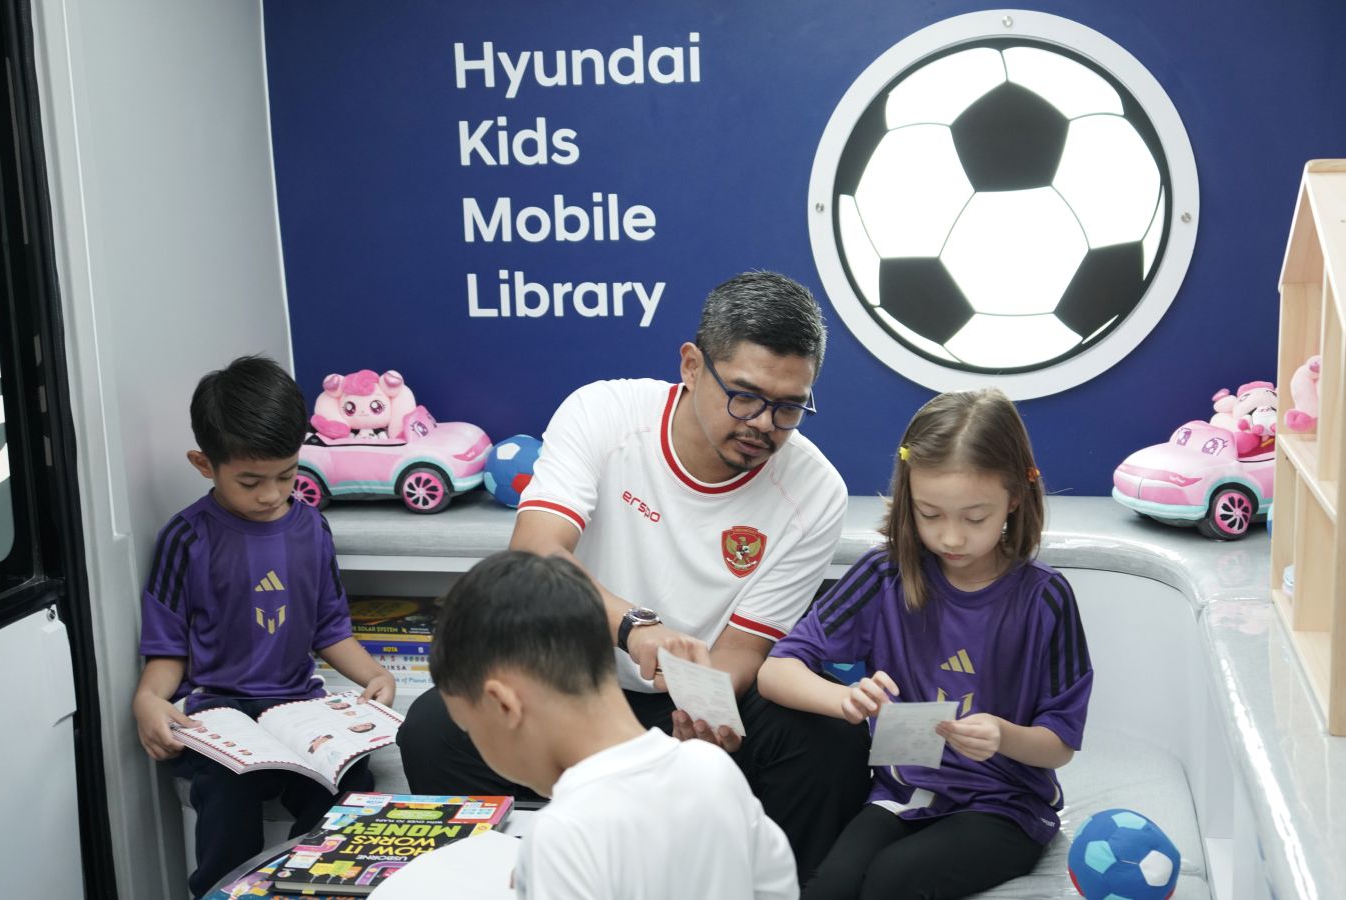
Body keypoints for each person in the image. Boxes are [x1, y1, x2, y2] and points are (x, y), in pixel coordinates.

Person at [398, 271, 868, 878]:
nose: (762, 424)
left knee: (829, 752)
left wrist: (701, 721)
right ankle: (502, 875)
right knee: (436, 729)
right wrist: (635, 629)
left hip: (701, 697)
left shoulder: (815, 490)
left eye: (788, 408)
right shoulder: (605, 412)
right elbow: (536, 551)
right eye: (745, 395)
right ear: (693, 366)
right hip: (582, 684)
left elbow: (745, 648)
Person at [757, 389, 1093, 899]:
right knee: (831, 887)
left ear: (1017, 497)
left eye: (974, 518)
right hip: (900, 792)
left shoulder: (1045, 598)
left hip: (1005, 807)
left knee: (894, 881)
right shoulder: (883, 574)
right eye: (929, 514)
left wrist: (1003, 736)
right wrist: (843, 699)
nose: (951, 538)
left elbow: (1060, 744)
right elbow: (776, 670)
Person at [129, 355, 396, 897]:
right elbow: (168, 646)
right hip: (220, 715)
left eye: (287, 475)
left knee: (351, 788)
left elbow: (330, 628)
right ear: (204, 464)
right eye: (250, 481)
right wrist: (147, 701)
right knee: (227, 806)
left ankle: (307, 887)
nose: (272, 494)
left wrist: (374, 676)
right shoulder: (187, 538)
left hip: (299, 708)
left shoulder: (311, 528)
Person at [433, 550, 799, 899]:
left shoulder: (561, 834)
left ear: (503, 705)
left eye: (470, 729)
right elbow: (776, 885)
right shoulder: (713, 768)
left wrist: (547, 872)